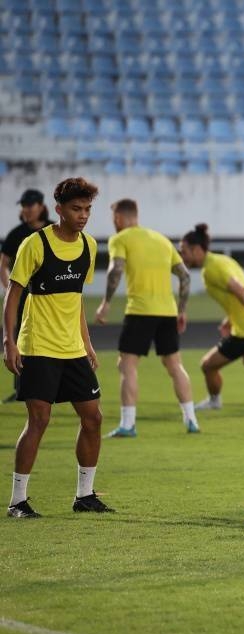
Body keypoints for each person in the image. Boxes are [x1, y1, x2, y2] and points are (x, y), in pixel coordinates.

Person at [3, 177, 113, 518]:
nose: (83, 216)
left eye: (87, 209)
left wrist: (87, 342)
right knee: (39, 420)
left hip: (73, 348)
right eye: (76, 209)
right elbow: (13, 296)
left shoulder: (90, 247)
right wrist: (8, 342)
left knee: (93, 418)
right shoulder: (35, 245)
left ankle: (85, 496)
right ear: (59, 209)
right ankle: (17, 501)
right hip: (38, 346)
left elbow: (74, 300)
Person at [94, 199, 198, 436]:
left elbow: (115, 270)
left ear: (119, 218)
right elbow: (185, 277)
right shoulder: (162, 240)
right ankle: (191, 420)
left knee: (127, 365)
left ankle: (128, 424)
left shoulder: (120, 239)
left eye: (114, 219)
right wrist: (181, 310)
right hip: (168, 312)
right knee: (175, 365)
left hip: (140, 311)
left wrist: (106, 303)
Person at [177, 223, 244, 409]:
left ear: (196, 249)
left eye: (184, 251)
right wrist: (231, 320)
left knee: (207, 365)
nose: (181, 256)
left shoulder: (212, 269)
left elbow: (242, 292)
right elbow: (238, 295)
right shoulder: (222, 261)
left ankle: (214, 401)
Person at [1, 189, 54, 402]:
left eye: (30, 205)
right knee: (22, 340)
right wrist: (10, 289)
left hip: (51, 298)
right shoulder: (17, 234)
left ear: (41, 206)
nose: (26, 210)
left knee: (53, 337)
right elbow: (3, 264)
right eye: (23, 206)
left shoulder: (54, 229)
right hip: (25, 297)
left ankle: (55, 386)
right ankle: (20, 388)